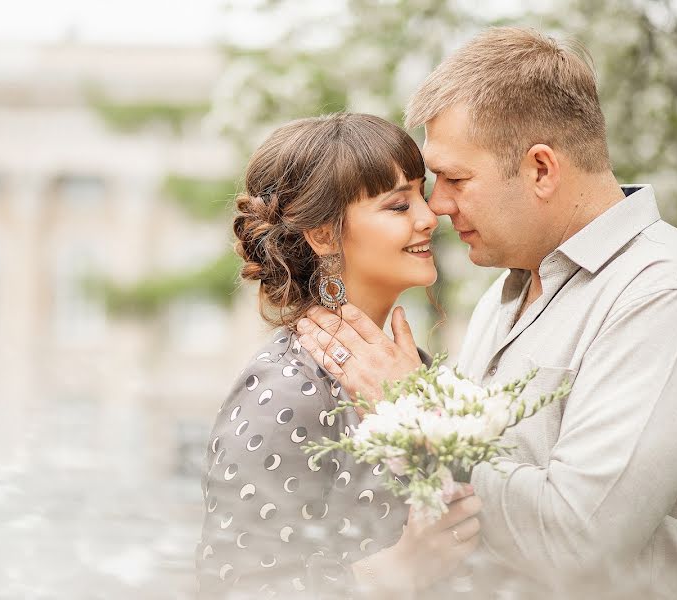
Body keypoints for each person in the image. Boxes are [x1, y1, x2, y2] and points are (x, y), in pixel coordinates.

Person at [297, 27, 677, 599]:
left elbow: (577, 545)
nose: (437, 206)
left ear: (542, 169)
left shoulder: (666, 297)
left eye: (456, 178)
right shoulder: (510, 290)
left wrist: (418, 413)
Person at [196, 113, 483, 599]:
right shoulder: (285, 388)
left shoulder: (417, 369)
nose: (429, 216)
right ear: (324, 234)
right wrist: (394, 572)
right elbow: (233, 587)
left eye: (421, 192)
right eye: (398, 204)